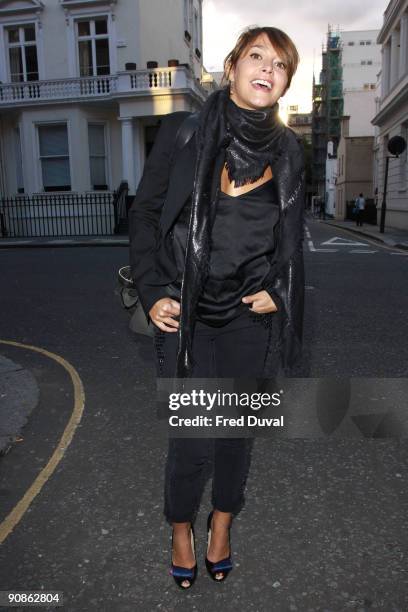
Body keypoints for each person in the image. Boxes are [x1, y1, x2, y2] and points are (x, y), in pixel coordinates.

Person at [129, 25, 305, 589]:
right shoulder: (185, 133)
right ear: (231, 67)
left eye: (279, 65)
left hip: (247, 318)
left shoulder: (289, 152)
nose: (266, 69)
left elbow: (292, 241)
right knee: (194, 439)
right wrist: (154, 290)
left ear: (284, 85)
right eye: (257, 56)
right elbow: (147, 215)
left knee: (236, 434)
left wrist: (278, 290)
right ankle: (181, 527)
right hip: (187, 317)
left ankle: (222, 524)